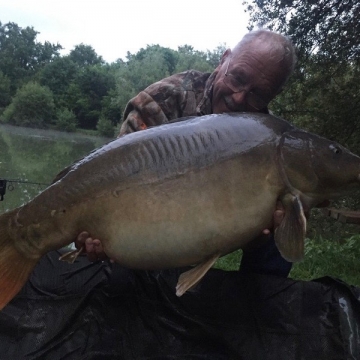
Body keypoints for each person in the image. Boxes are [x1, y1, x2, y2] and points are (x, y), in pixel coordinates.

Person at [76, 29, 296, 276]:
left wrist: (260, 234)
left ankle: (256, 306)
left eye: (259, 94)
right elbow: (114, 172)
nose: (239, 97)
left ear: (272, 95)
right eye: (237, 78)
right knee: (109, 250)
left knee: (287, 222)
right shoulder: (166, 98)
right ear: (224, 60)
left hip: (219, 219)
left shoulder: (267, 137)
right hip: (151, 209)